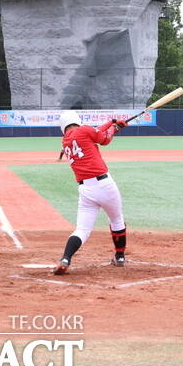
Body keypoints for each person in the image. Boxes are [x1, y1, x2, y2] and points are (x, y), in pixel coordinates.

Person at [53, 112, 129, 275]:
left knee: (82, 230)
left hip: (86, 190)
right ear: (77, 121)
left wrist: (111, 123)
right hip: (105, 185)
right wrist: (115, 128)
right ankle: (120, 257)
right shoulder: (84, 130)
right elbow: (105, 139)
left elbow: (93, 132)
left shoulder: (66, 140)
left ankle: (65, 259)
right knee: (116, 220)